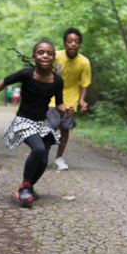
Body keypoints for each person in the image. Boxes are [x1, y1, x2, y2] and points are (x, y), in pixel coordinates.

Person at [0, 40, 74, 206]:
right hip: (23, 121)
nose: (45, 55)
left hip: (41, 123)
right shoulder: (26, 74)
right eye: (40, 52)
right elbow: (3, 82)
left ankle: (30, 186)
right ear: (34, 57)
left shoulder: (57, 81)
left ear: (53, 58)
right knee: (37, 149)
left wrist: (65, 109)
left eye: (49, 53)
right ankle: (24, 187)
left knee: (44, 159)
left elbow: (59, 103)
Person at [46, 27, 92, 171]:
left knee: (65, 129)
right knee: (50, 127)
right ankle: (42, 154)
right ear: (65, 43)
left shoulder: (84, 62)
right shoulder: (55, 56)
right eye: (70, 41)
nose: (73, 44)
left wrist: (82, 100)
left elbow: (84, 84)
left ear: (79, 44)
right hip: (52, 99)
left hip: (70, 100)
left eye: (76, 42)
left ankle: (59, 158)